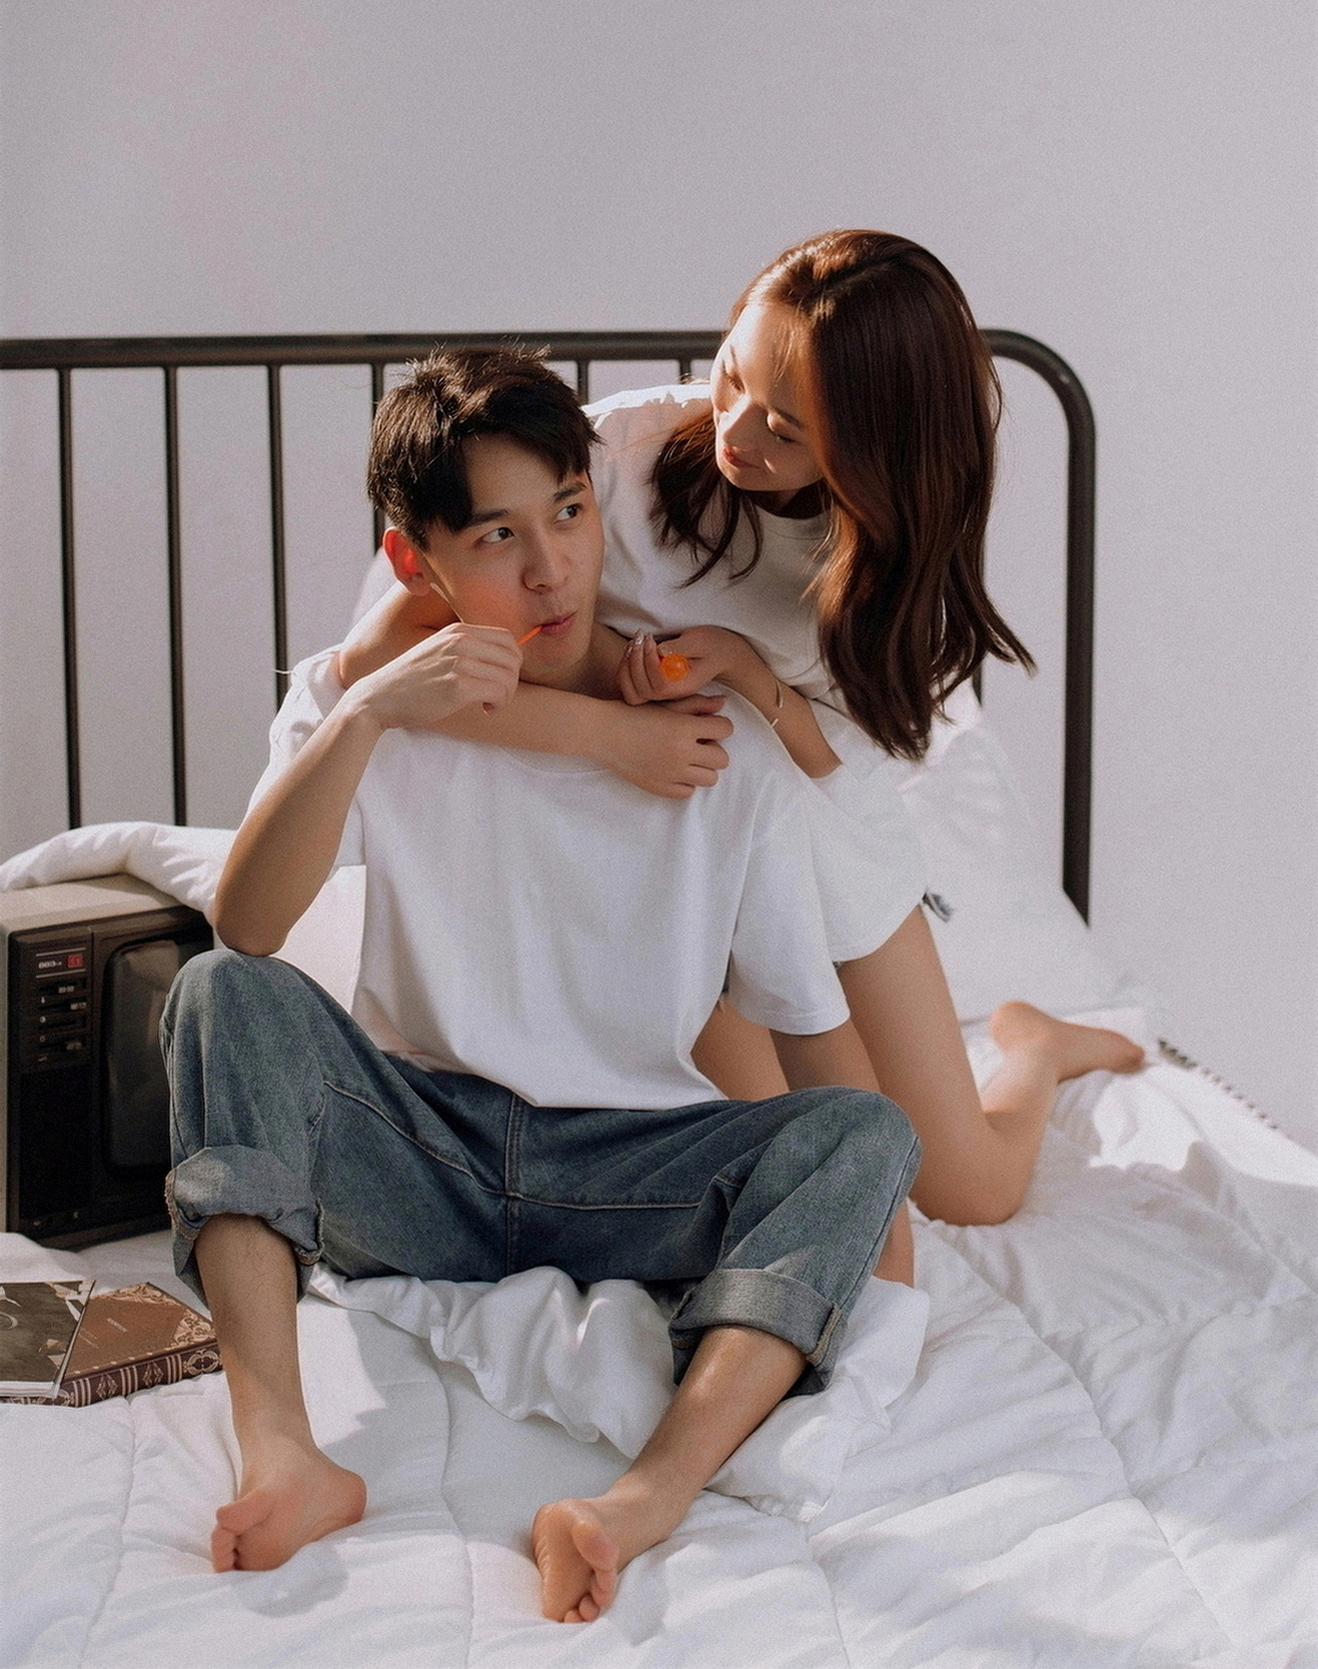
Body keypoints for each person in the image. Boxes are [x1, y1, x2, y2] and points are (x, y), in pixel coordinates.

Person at [163, 348, 921, 1622]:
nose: (551, 568)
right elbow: (247, 921)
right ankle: (284, 1449)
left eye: (568, 512)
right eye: (498, 536)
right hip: (422, 1159)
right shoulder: (370, 707)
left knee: (866, 1129)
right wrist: (359, 716)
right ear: (416, 563)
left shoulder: (714, 743)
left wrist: (872, 1202)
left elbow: (807, 1031)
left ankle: (643, 1496)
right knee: (219, 992)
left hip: (628, 1172)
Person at [339, 230, 1143, 1228]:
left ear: (874, 454)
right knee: (804, 1167)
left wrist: (750, 673)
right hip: (670, 857)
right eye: (731, 375)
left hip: (818, 816)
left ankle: (1036, 1045)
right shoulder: (613, 460)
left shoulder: (889, 572)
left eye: (785, 427)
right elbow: (377, 660)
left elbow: (837, 768)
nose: (735, 429)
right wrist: (607, 734)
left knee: (967, 1191)